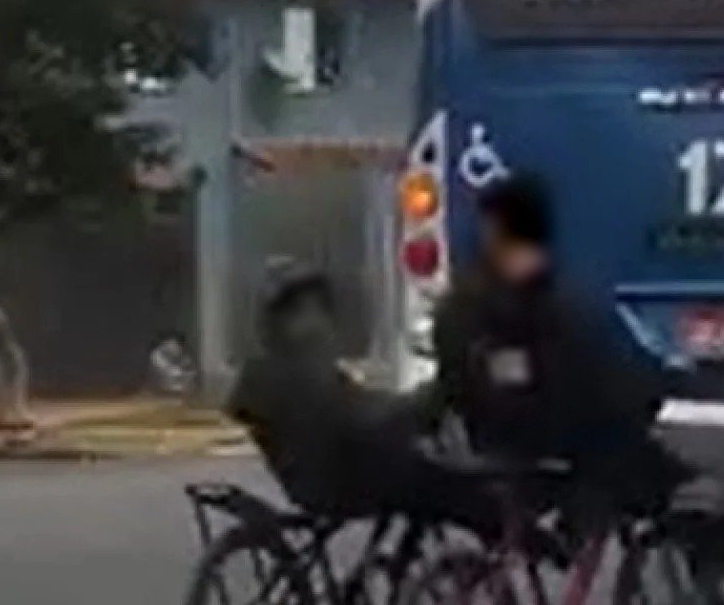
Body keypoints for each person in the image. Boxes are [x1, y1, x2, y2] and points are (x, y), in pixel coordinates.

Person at [431, 172, 690, 521]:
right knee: (626, 454)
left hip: (501, 426)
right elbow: (554, 377)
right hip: (526, 434)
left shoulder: (476, 299)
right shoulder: (514, 304)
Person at [226, 264, 502, 539]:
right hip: (340, 484)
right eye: (304, 311)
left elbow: (358, 404)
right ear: (282, 321)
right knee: (434, 483)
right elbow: (361, 414)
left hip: (329, 477)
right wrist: (421, 402)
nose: (317, 319)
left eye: (317, 309)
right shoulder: (293, 375)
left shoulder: (287, 370)